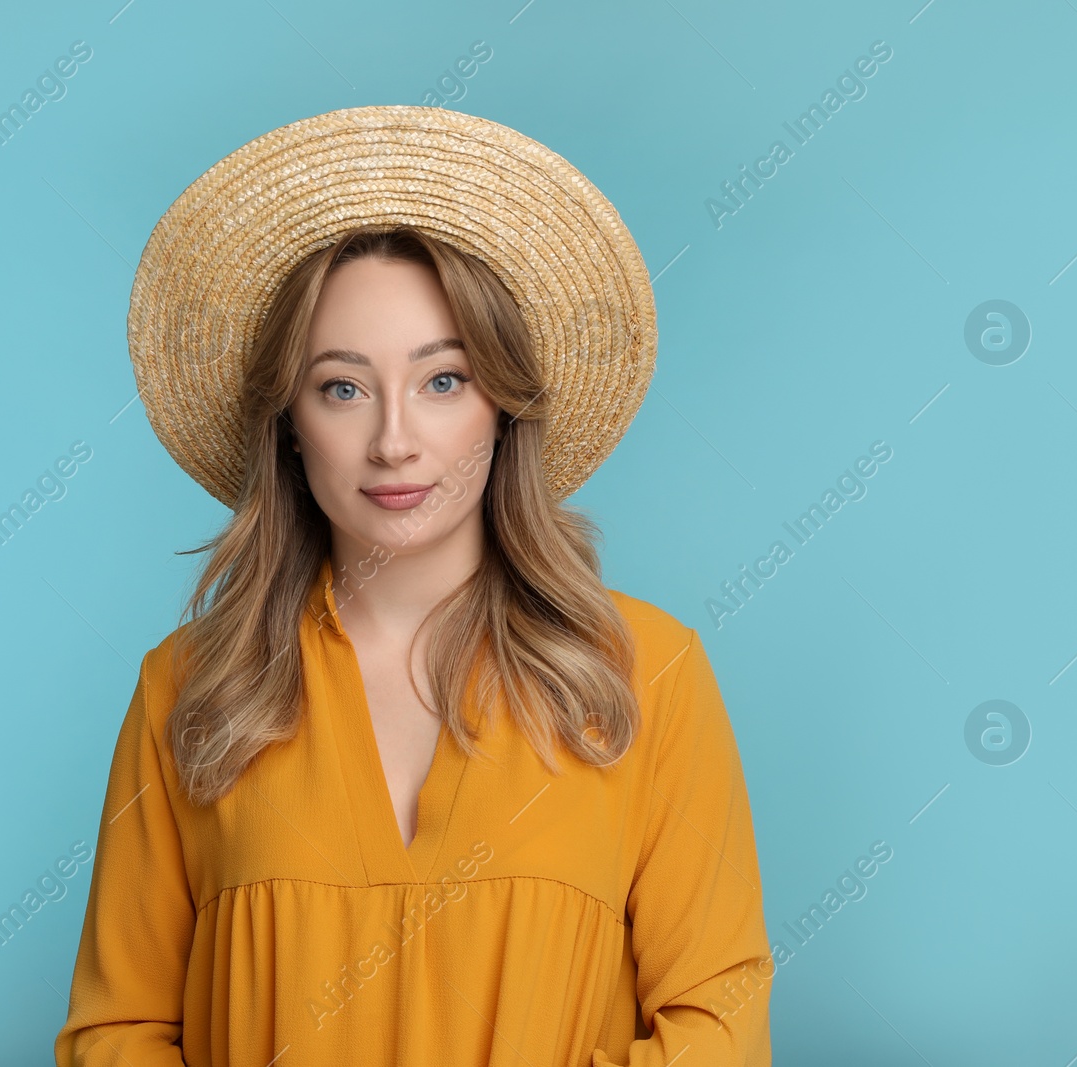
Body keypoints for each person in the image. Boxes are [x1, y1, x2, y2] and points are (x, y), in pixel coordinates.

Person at [55, 105, 772, 1067]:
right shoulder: (188, 689)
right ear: (289, 423)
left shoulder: (646, 673)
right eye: (342, 387)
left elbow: (719, 1025)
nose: (395, 439)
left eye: (443, 380)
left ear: (503, 406)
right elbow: (116, 1033)